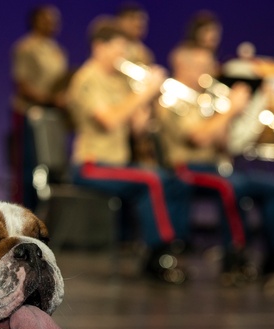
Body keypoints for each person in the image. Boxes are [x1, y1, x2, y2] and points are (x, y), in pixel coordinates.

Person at [155, 42, 274, 289]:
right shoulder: (171, 98)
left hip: (215, 166)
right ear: (182, 66)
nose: (209, 73)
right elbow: (198, 137)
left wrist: (238, 114)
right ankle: (235, 258)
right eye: (202, 67)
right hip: (185, 168)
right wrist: (230, 111)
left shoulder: (206, 99)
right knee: (229, 187)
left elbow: (224, 145)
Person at [65, 17, 192, 284]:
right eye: (119, 49)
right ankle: (160, 254)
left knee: (171, 180)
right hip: (91, 164)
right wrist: (143, 94)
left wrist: (151, 100)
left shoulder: (119, 81)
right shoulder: (88, 78)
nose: (123, 55)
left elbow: (137, 130)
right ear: (99, 46)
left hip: (117, 165)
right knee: (150, 180)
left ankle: (164, 251)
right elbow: (109, 120)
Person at [9, 5, 70, 212]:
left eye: (55, 20)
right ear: (36, 21)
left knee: (53, 165)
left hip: (53, 116)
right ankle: (23, 210)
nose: (53, 24)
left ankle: (48, 213)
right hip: (30, 113)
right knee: (29, 165)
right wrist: (51, 99)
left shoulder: (56, 50)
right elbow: (22, 84)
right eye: (48, 19)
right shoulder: (26, 47)